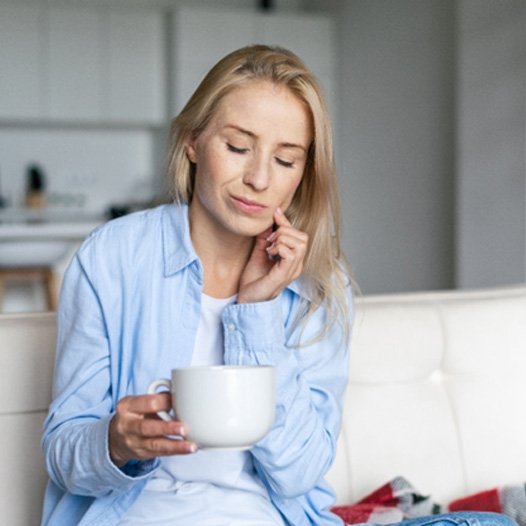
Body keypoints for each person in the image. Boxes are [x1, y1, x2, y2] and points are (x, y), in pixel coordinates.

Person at [40, 45, 516, 526]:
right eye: (238, 147)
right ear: (192, 142)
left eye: (286, 160)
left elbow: (300, 473)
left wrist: (257, 312)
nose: (259, 178)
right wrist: (116, 443)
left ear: (303, 174)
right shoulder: (113, 257)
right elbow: (64, 453)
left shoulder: (320, 285)